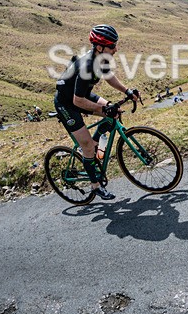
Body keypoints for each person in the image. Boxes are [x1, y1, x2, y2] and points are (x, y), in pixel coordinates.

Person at [54, 24, 139, 201]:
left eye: (115, 45)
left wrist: (127, 91)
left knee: (113, 114)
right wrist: (103, 108)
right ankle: (95, 186)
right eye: (112, 46)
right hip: (67, 104)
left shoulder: (101, 58)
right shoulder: (87, 66)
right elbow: (78, 101)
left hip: (82, 96)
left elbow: (108, 76)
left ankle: (95, 146)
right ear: (100, 47)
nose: (116, 49)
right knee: (86, 146)